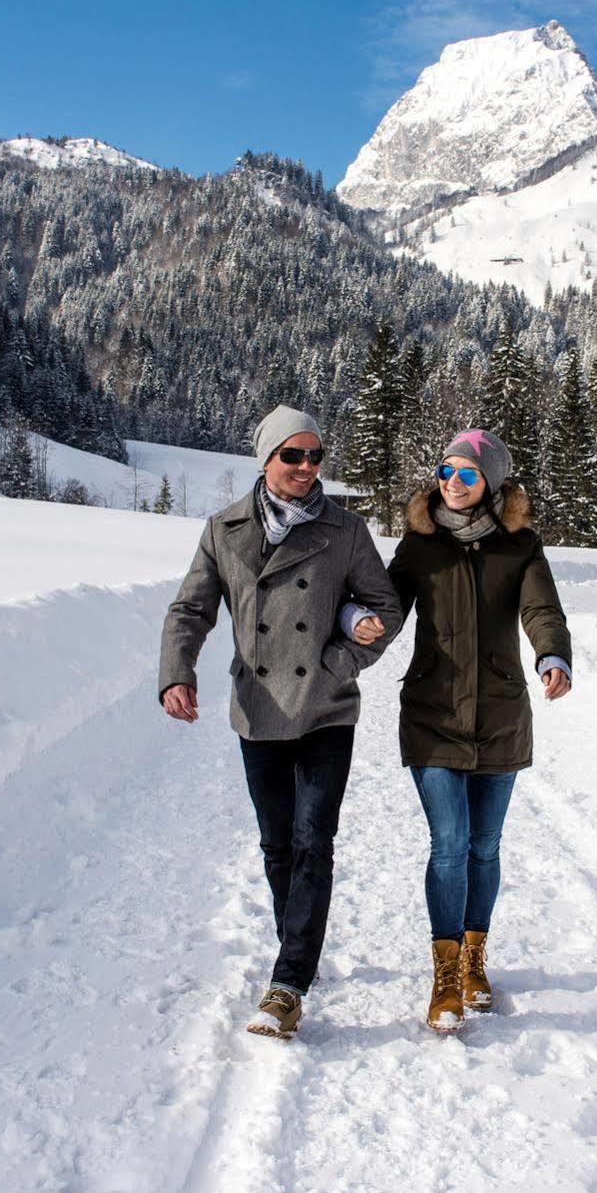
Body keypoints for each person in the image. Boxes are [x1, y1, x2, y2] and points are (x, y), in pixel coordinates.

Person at [159, 405, 403, 1040]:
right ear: (265, 459)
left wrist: (342, 661)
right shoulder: (224, 529)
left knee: (312, 840)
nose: (305, 467)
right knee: (277, 845)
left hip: (325, 707)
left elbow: (384, 604)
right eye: (292, 455)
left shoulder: (345, 530)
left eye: (315, 456)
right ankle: (296, 944)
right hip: (258, 708)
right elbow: (190, 608)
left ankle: (290, 979)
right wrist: (176, 670)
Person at [346, 429, 571, 1033]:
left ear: (491, 482)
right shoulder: (421, 548)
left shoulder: (519, 546)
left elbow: (542, 610)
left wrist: (553, 655)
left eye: (468, 474)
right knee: (449, 844)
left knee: (484, 846)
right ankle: (444, 975)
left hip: (500, 715)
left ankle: (475, 958)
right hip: (433, 715)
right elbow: (388, 608)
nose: (452, 481)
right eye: (447, 470)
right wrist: (361, 629)